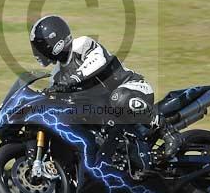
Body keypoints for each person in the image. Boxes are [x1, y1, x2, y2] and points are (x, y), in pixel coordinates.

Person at [29, 15, 182, 162]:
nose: (37, 52)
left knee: (119, 98)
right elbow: (54, 96)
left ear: (54, 42)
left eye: (40, 46)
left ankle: (168, 131)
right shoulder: (57, 74)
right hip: (106, 112)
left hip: (131, 88)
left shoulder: (81, 45)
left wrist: (73, 79)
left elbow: (98, 61)